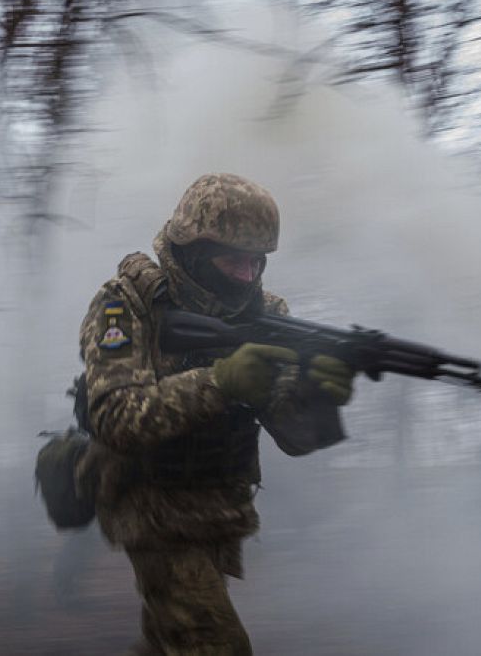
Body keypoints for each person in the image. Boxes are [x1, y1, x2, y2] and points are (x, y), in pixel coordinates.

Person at [76, 173, 355, 655]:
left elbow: (296, 438)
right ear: (194, 251)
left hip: (218, 510)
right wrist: (221, 382)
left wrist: (317, 391)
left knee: (169, 642)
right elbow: (114, 416)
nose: (248, 275)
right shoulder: (126, 307)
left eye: (257, 261)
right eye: (234, 260)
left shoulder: (267, 315)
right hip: (150, 506)